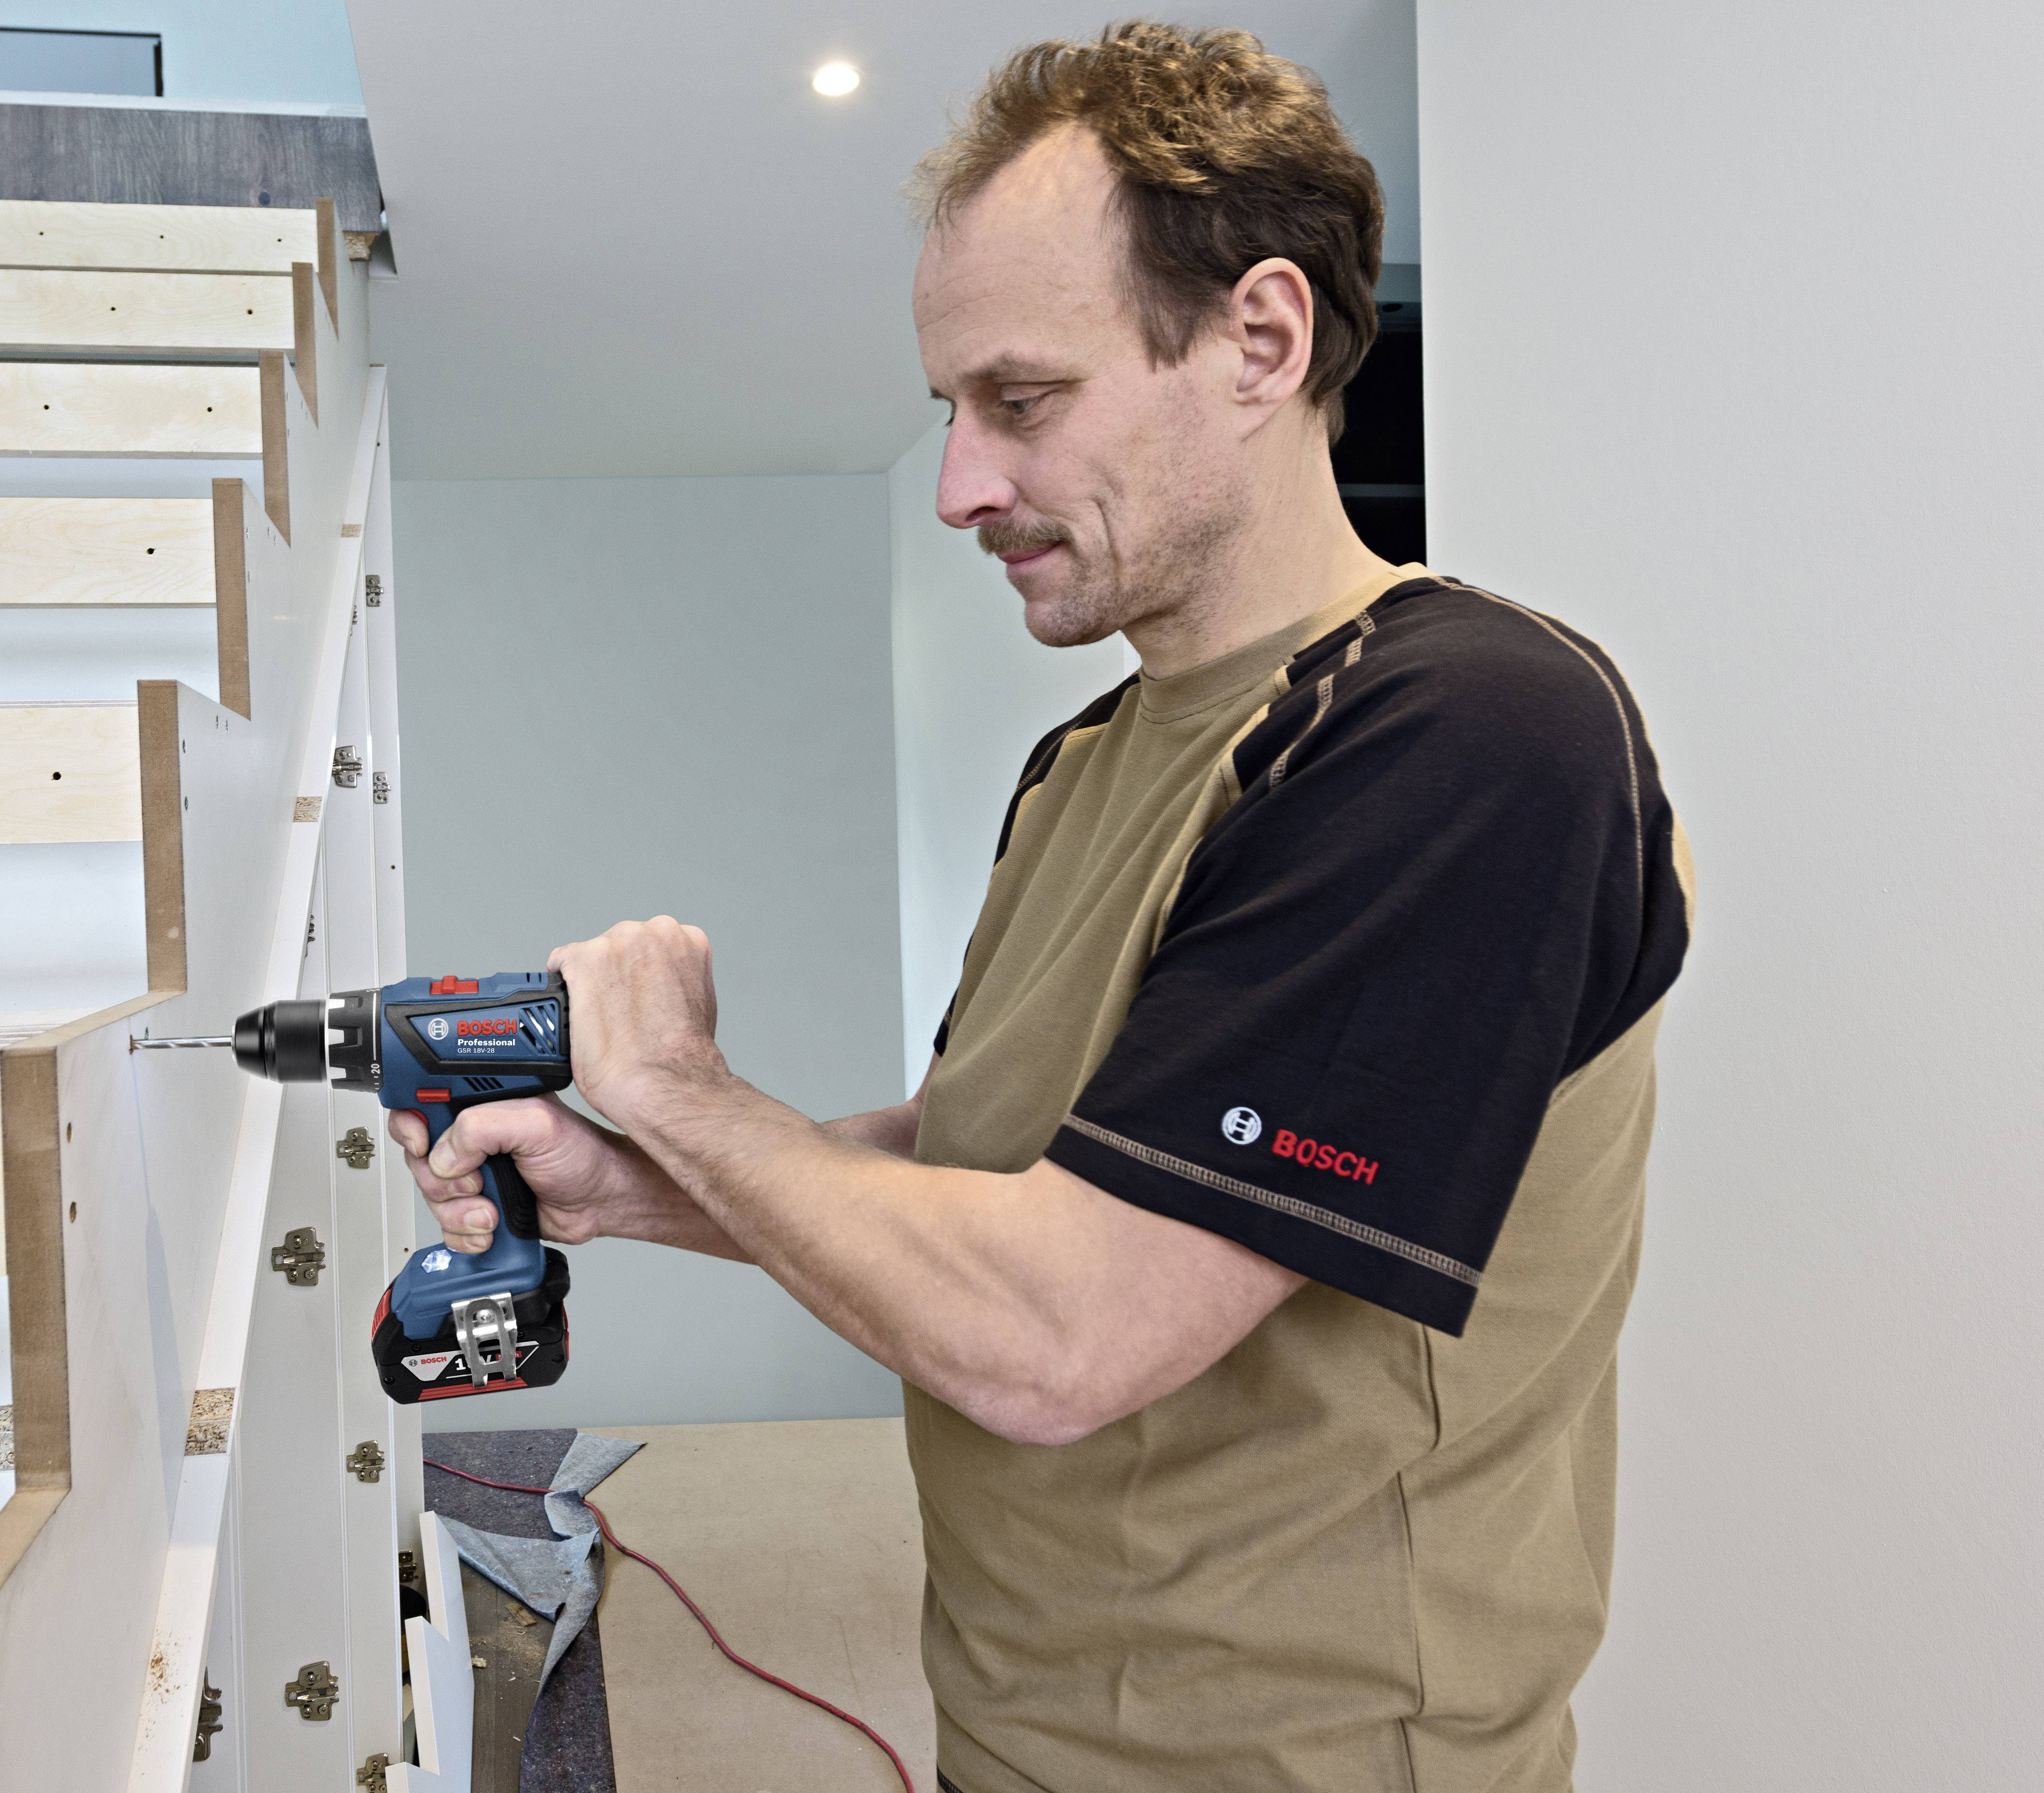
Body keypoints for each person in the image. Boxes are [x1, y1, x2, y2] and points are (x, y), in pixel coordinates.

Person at [392, 21, 1691, 1793]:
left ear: (1261, 336)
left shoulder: (1471, 733)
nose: (958, 486)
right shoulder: (1087, 761)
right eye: (950, 410)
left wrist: (692, 1090)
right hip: (1023, 1733)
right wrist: (643, 1182)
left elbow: (1062, 1335)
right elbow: (986, 1167)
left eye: (1023, 400)